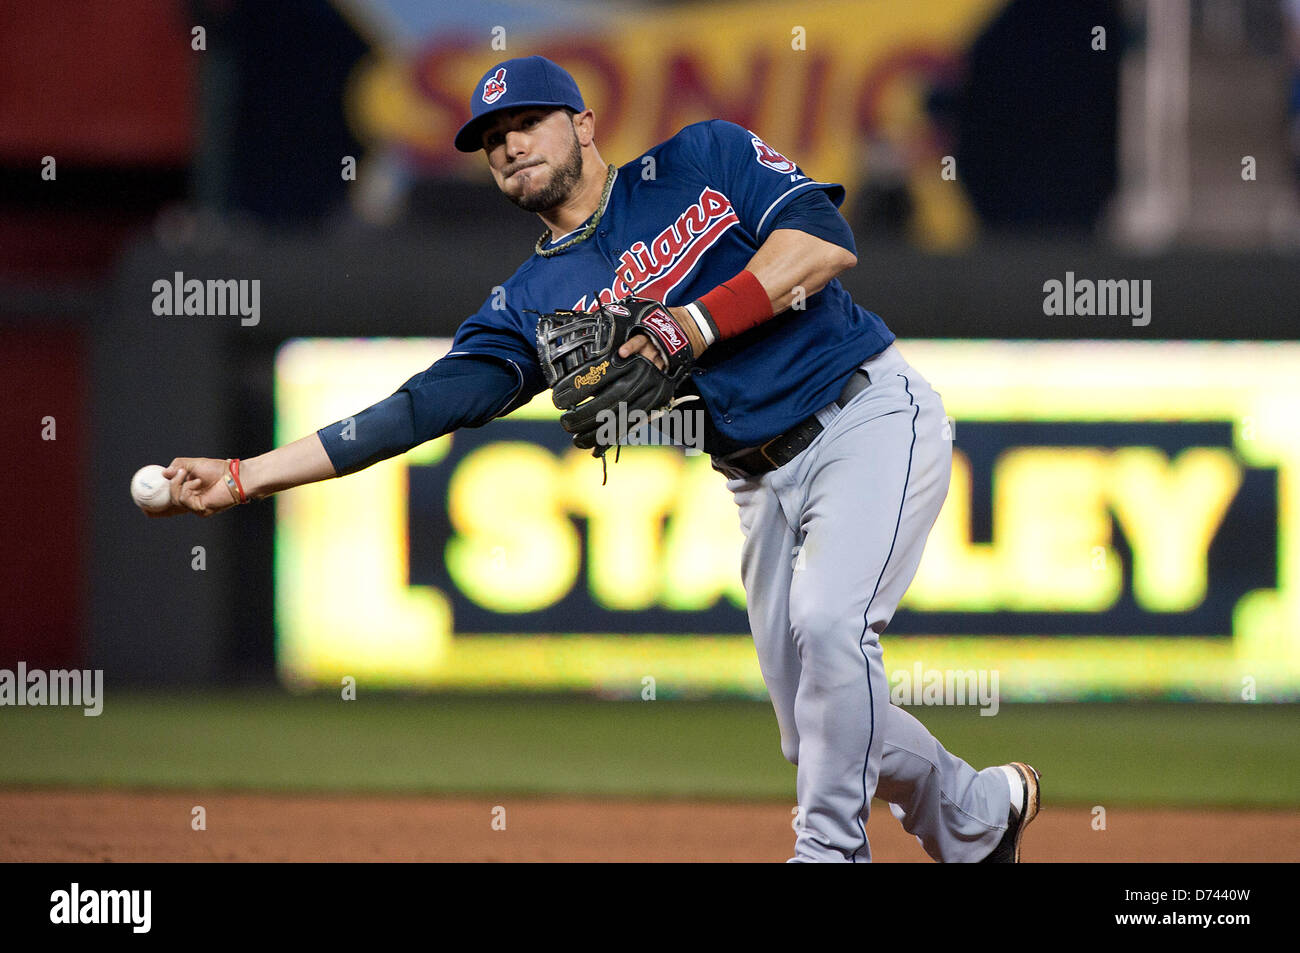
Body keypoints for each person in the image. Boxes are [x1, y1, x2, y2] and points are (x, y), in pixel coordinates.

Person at [155, 55, 1039, 863]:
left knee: (830, 625)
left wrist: (689, 321)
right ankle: (977, 812)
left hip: (867, 411)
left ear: (582, 124)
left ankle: (827, 854)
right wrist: (245, 474)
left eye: (527, 123)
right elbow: (416, 408)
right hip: (758, 482)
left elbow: (822, 242)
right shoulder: (530, 304)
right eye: (492, 140)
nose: (509, 146)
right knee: (819, 729)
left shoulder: (703, 156)